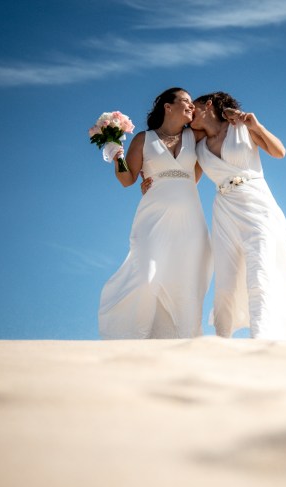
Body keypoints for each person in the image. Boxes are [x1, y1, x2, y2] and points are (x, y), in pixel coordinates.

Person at [190, 91, 286, 339]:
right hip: (224, 210)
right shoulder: (197, 144)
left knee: (260, 268)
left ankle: (262, 337)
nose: (189, 114)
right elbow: (190, 180)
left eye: (193, 107)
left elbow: (279, 152)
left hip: (257, 204)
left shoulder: (241, 126)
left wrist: (256, 125)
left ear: (208, 105)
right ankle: (221, 339)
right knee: (225, 278)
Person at [98, 88, 211, 339]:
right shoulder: (144, 139)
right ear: (167, 107)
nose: (191, 106)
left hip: (190, 222)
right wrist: (118, 156)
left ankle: (185, 341)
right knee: (146, 277)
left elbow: (195, 176)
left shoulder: (197, 136)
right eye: (185, 102)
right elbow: (127, 179)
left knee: (186, 282)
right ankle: (135, 337)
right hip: (153, 218)